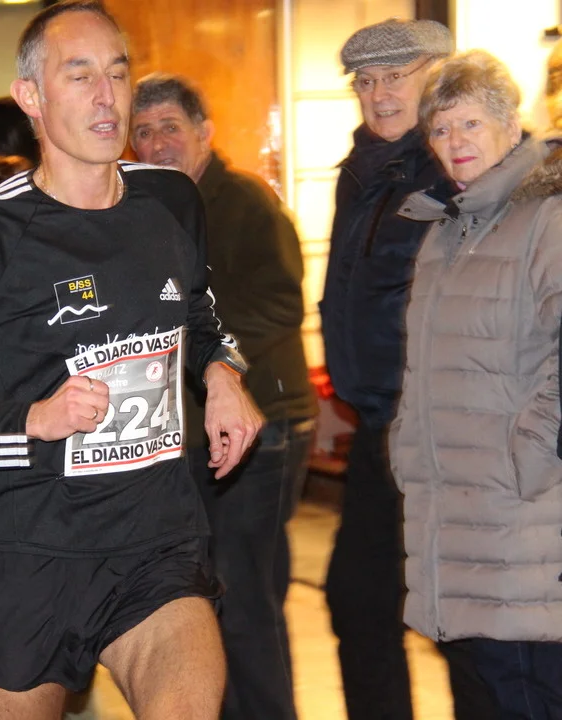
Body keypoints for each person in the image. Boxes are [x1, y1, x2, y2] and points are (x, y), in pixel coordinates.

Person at [0, 3, 262, 717]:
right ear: (30, 96)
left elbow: (199, 311)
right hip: (32, 554)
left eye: (117, 74)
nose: (106, 96)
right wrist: (35, 419)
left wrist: (222, 373)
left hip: (156, 544)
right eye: (80, 75)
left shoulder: (171, 200)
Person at [130, 72, 317, 720]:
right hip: (197, 431)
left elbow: (281, 304)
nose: (157, 142)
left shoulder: (243, 202)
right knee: (211, 596)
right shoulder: (151, 205)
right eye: (143, 131)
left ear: (204, 133)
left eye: (170, 127)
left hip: (264, 428)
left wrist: (210, 354)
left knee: (246, 599)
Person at [391, 49, 562, 717]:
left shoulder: (546, 216)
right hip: (455, 516)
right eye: (440, 128)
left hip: (521, 515)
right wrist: (410, 443)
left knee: (525, 688)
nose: (454, 142)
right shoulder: (447, 226)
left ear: (509, 124)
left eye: (470, 123)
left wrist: (533, 449)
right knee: (484, 691)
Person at [318, 19, 470, 720]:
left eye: (395, 77)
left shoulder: (456, 166)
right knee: (359, 603)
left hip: (446, 433)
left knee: (465, 623)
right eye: (365, 80)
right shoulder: (362, 170)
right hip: (380, 424)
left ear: (437, 78)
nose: (378, 94)